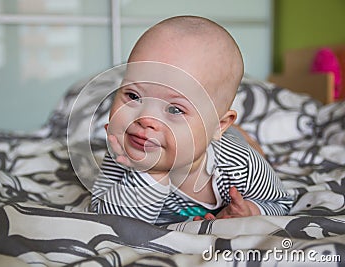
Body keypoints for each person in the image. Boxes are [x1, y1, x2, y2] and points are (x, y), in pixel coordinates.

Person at [89, 15, 292, 224]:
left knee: (249, 146)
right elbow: (106, 215)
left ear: (219, 124)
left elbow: (280, 203)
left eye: (175, 109)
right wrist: (150, 175)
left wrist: (251, 210)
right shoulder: (127, 151)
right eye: (133, 96)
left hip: (229, 143)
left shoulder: (240, 165)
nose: (145, 119)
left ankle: (240, 134)